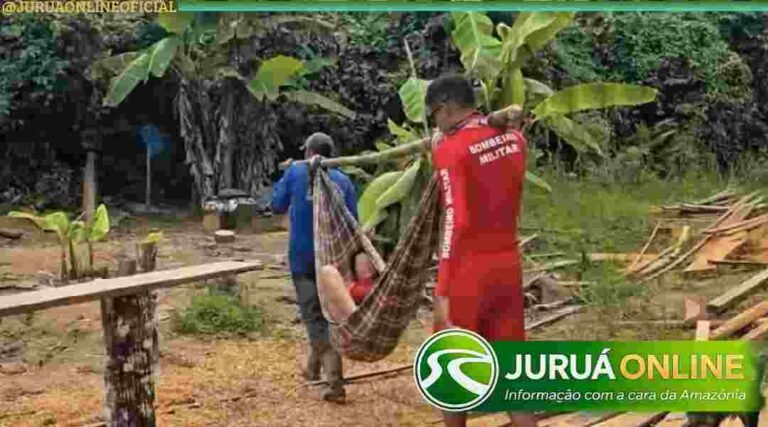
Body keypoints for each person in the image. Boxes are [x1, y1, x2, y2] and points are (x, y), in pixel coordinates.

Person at [426, 75, 537, 427]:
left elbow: (455, 219)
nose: (434, 124)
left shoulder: (450, 150)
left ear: (445, 108)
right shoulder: (515, 140)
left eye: (433, 115)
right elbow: (491, 134)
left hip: (467, 270)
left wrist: (443, 289)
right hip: (507, 264)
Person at [271, 132, 358, 404]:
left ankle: (335, 385)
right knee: (327, 314)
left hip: (303, 258)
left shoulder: (296, 173)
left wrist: (286, 175)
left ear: (308, 152)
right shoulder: (343, 180)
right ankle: (312, 369)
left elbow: (276, 205)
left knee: (315, 319)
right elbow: (353, 222)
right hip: (334, 261)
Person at [317, 251, 378, 322]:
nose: (365, 267)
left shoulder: (378, 283)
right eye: (360, 264)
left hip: (368, 315)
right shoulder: (354, 284)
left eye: (368, 264)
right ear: (355, 269)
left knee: (327, 272)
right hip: (353, 315)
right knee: (327, 273)